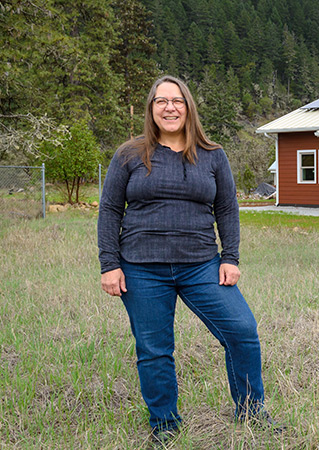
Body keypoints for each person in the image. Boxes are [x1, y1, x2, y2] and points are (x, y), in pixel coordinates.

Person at [98, 75, 274, 443]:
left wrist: (231, 258)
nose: (169, 107)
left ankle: (251, 412)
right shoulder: (129, 154)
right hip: (141, 268)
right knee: (155, 349)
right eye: (161, 101)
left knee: (242, 332)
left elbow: (227, 209)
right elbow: (110, 209)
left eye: (177, 100)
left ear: (188, 106)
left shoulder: (213, 155)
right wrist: (109, 264)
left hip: (201, 265)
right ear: (151, 109)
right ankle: (164, 425)